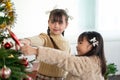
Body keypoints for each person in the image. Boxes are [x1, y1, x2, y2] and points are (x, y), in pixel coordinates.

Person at [20, 31, 107, 80]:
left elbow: (63, 58)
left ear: (91, 46)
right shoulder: (96, 61)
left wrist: (36, 51)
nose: (77, 46)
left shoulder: (87, 63)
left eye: (80, 43)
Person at [19, 9, 71, 80]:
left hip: (61, 78)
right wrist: (28, 40)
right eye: (53, 22)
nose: (56, 25)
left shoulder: (67, 42)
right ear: (48, 22)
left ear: (66, 25)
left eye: (60, 23)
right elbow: (39, 39)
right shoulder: (46, 37)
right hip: (43, 77)